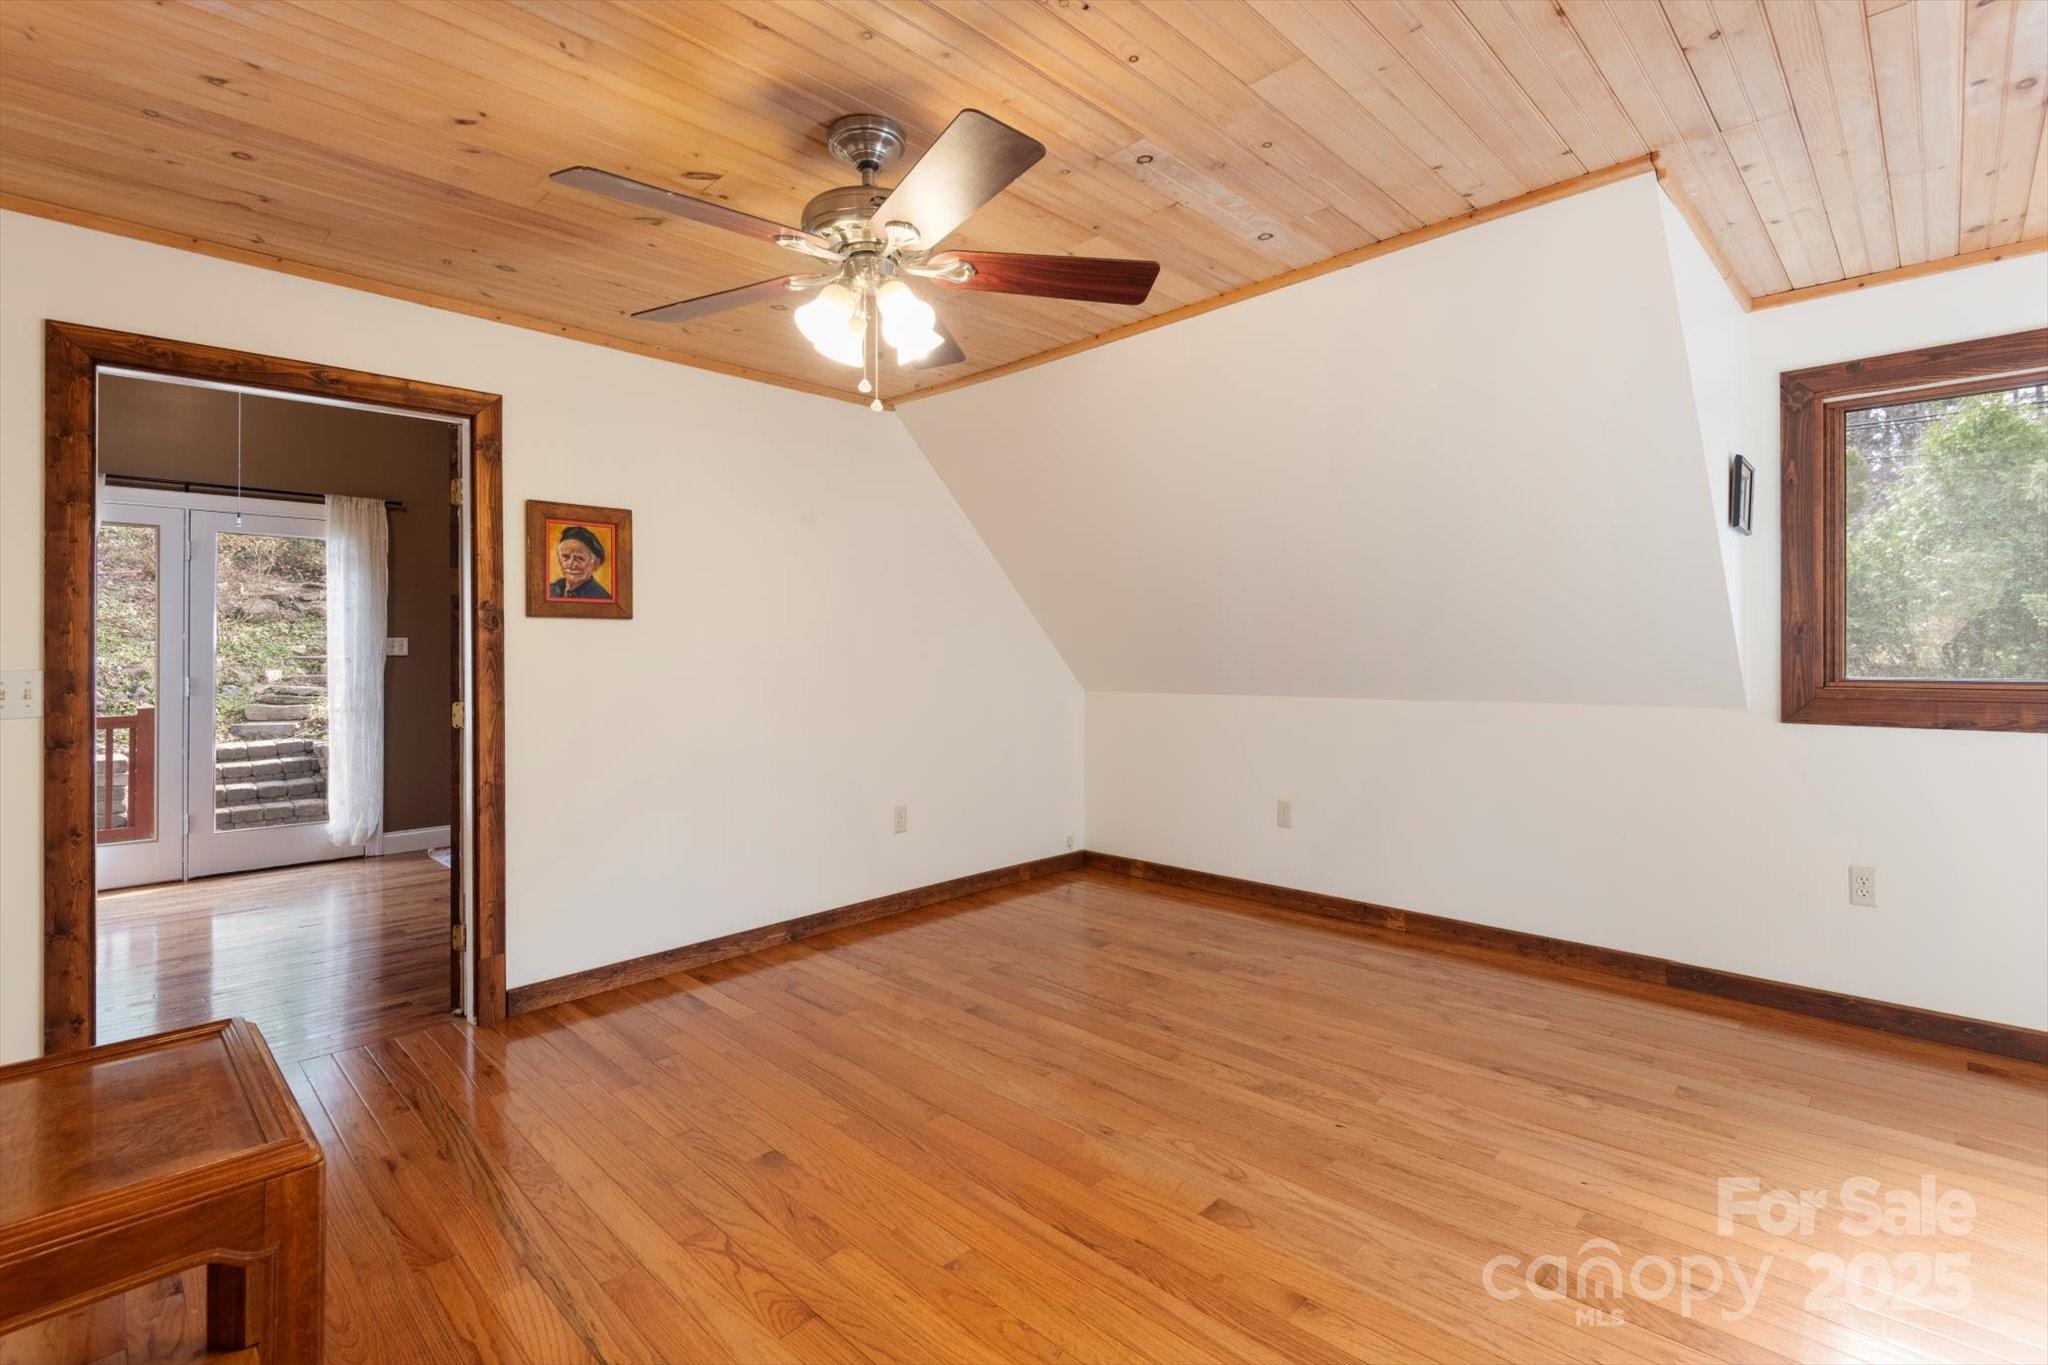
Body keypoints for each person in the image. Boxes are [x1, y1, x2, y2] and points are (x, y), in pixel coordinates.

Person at [548, 524, 612, 600]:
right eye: (566, 557)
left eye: (579, 558)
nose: (571, 565)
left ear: (596, 564)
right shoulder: (550, 590)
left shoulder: (602, 598)